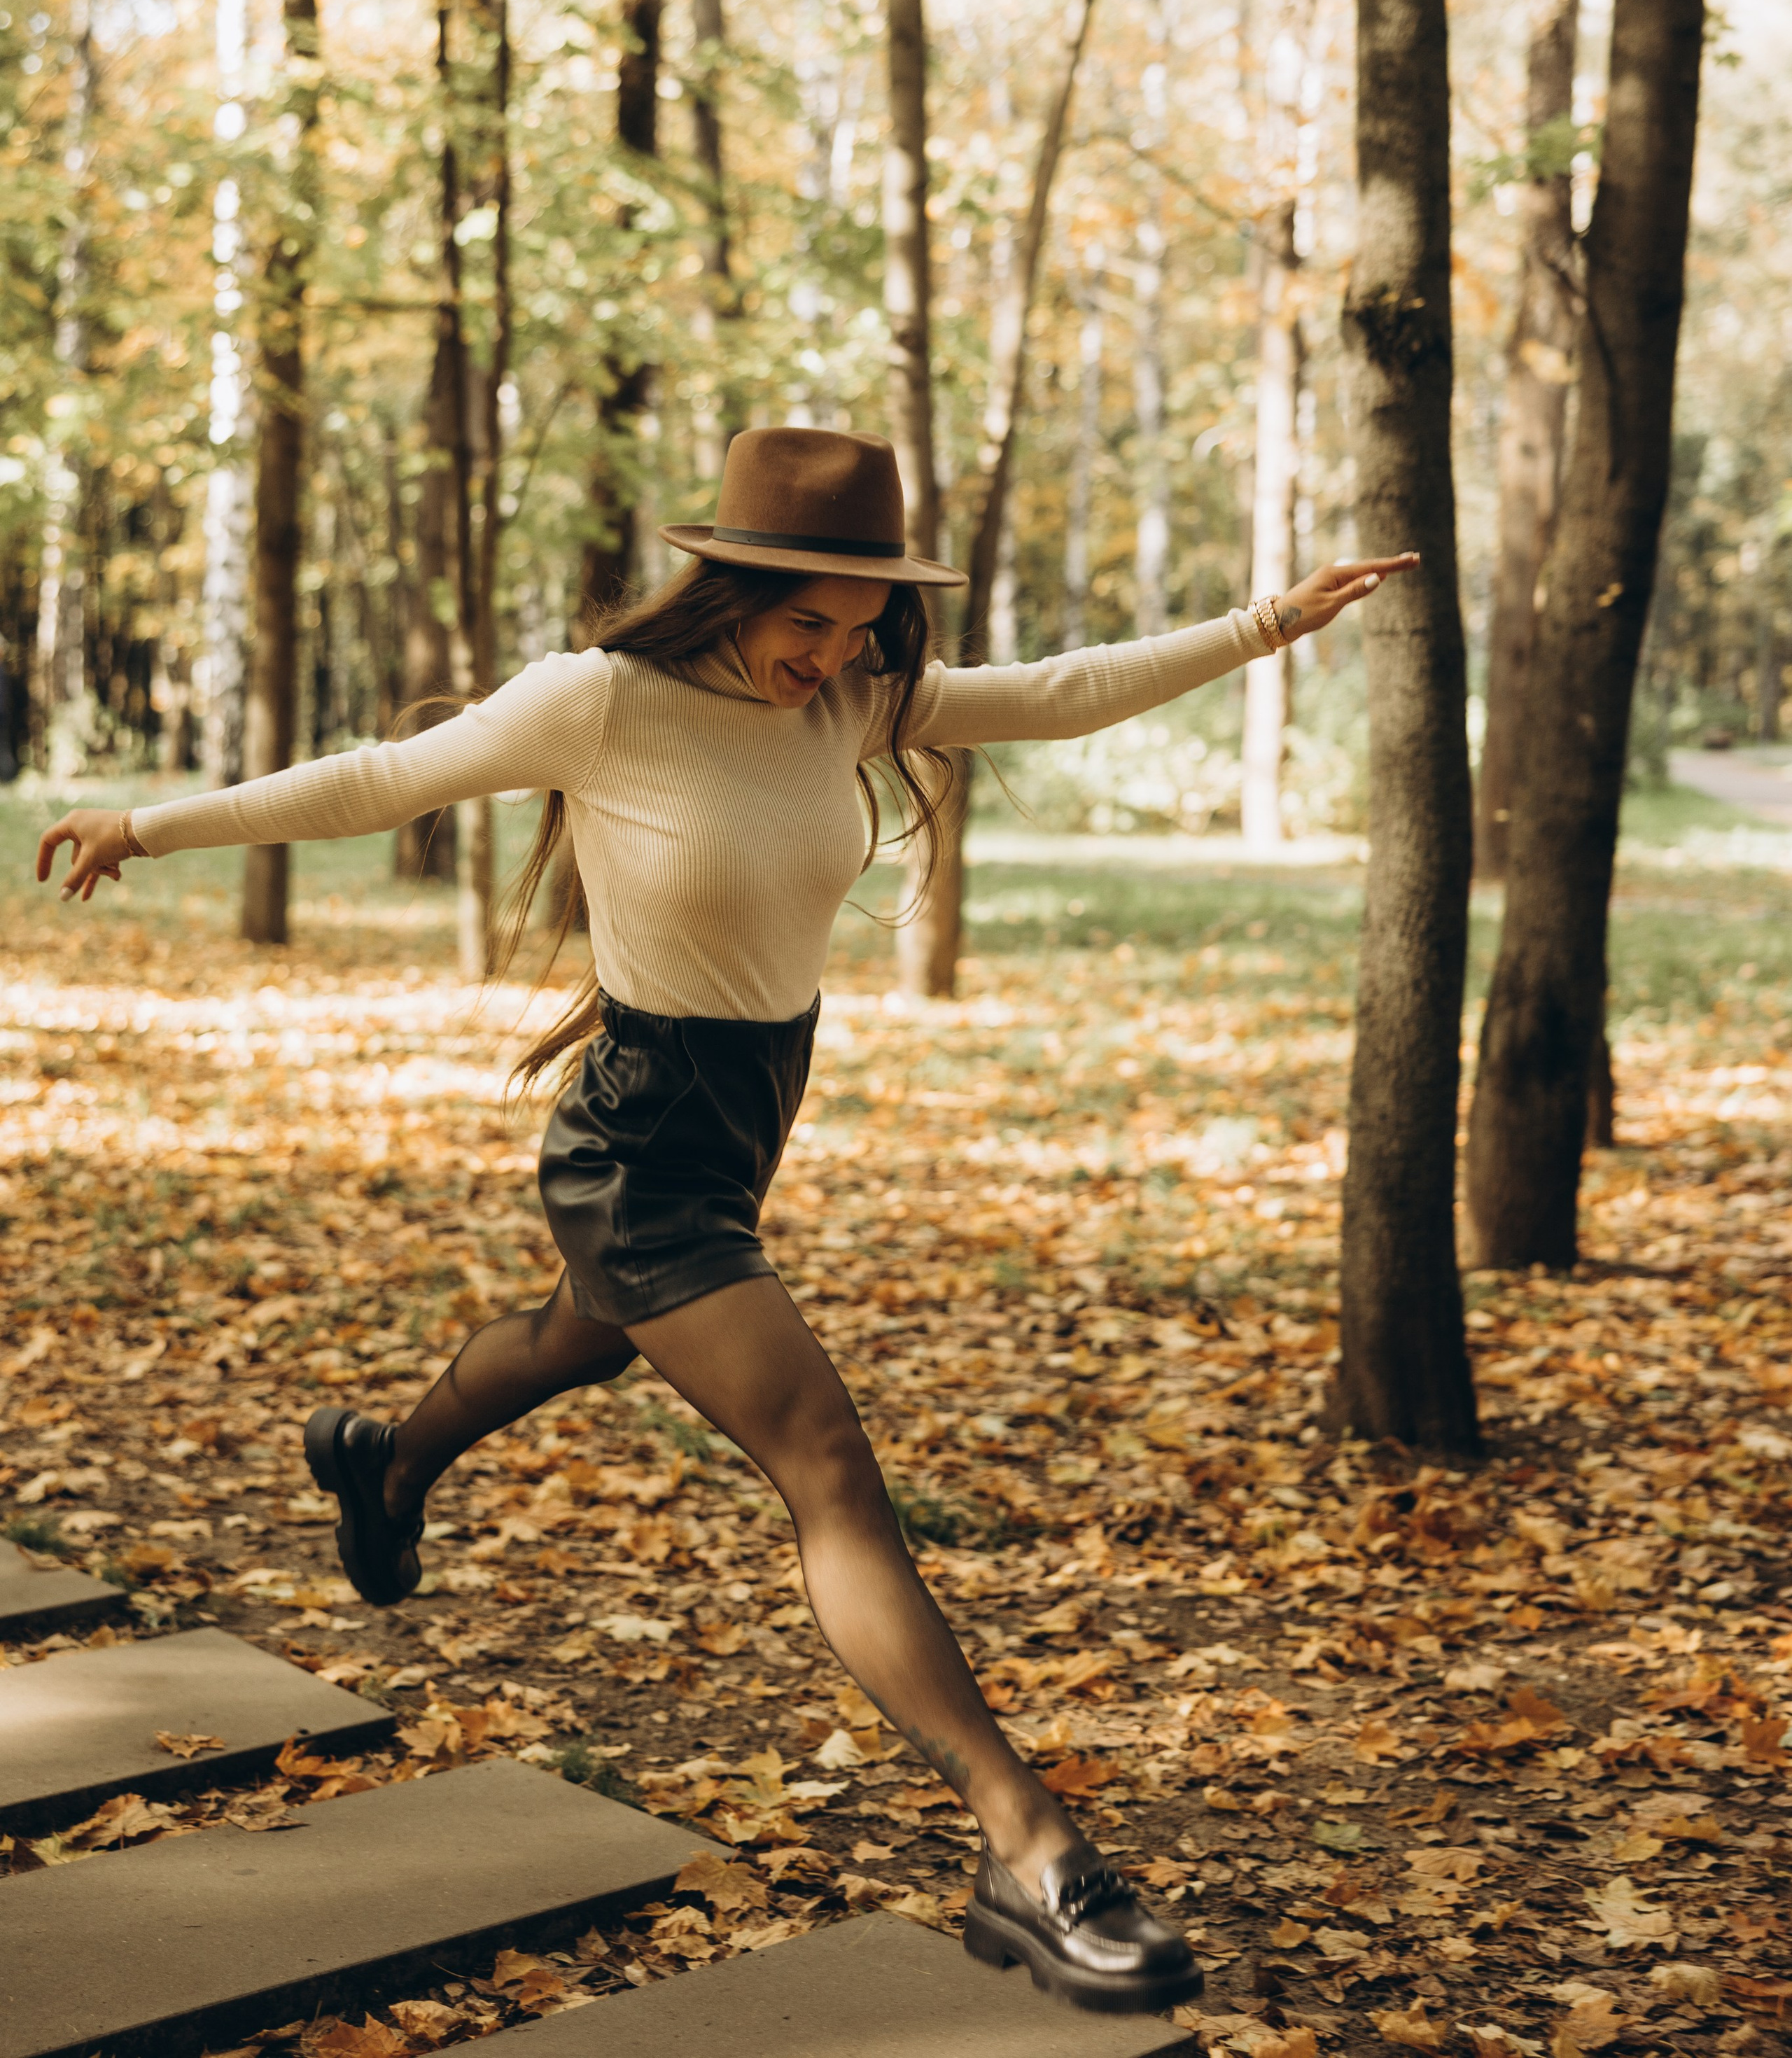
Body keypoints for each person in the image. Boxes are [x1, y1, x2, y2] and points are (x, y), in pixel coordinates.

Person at [38, 424, 1414, 2016]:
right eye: (803, 621)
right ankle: (1025, 1849)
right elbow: (377, 783)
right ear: (733, 586)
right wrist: (149, 825)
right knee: (822, 1459)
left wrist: (1264, 625)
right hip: (639, 1143)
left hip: (742, 1119)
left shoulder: (852, 696)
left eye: (859, 627)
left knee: (581, 1337)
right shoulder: (601, 702)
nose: (828, 658)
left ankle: (385, 1459)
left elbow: (1051, 691)